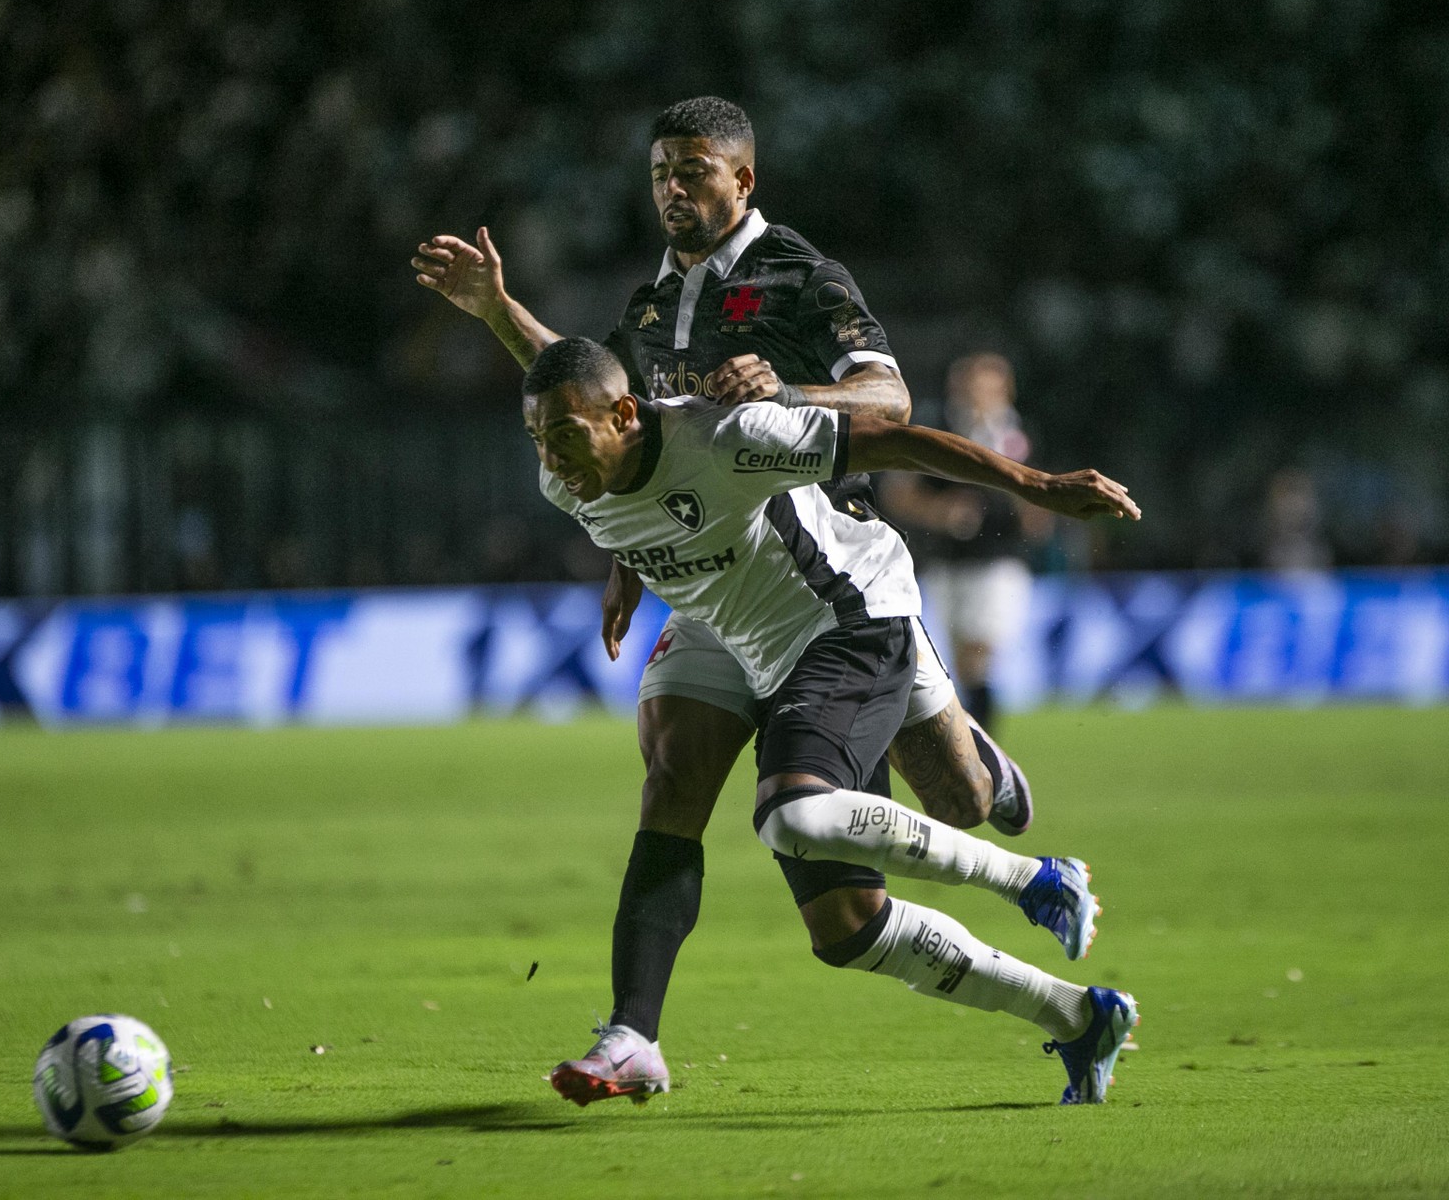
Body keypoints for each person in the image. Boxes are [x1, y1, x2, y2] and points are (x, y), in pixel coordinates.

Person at [413, 98, 1038, 1076]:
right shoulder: (650, 307)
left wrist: (787, 392)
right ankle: (633, 1033)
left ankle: (982, 766)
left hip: (825, 566)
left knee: (938, 815)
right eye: (661, 169)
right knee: (673, 774)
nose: (673, 186)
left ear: (742, 180)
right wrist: (626, 558)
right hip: (709, 579)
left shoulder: (798, 275)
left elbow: (891, 402)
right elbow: (606, 413)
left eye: (695, 170)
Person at [519, 336, 1141, 1106]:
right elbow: (570, 394)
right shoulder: (568, 475)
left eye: (566, 437)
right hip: (758, 652)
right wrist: (493, 308)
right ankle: (1079, 1017)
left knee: (795, 813)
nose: (551, 457)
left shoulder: (722, 437)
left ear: (622, 414)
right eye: (538, 438)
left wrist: (1036, 485)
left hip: (847, 622)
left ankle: (1035, 880)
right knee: (846, 928)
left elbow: (892, 438)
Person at [878, 353, 1045, 734]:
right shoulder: (934, 431)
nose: (978, 396)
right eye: (972, 386)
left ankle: (981, 736)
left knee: (978, 650)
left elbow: (1041, 509)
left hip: (1001, 563)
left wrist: (1028, 504)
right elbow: (898, 494)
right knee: (957, 663)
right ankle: (969, 736)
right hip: (946, 562)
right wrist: (940, 513)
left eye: (988, 388)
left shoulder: (1020, 437)